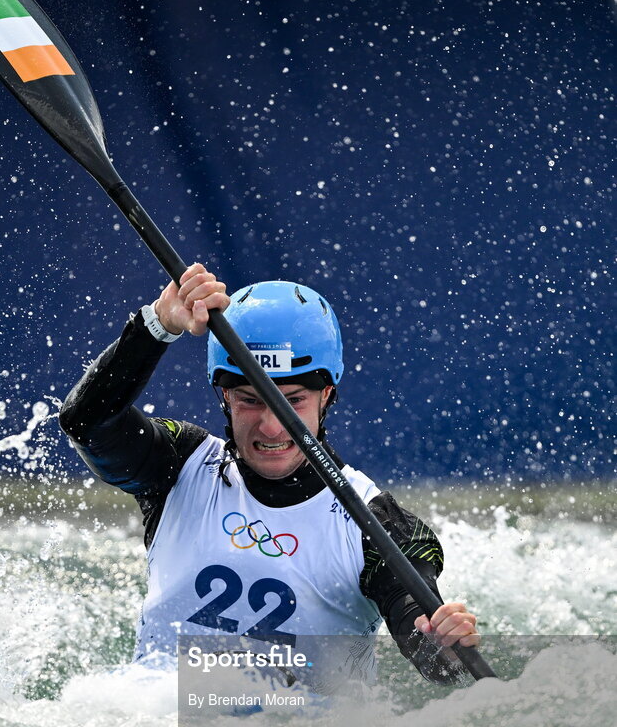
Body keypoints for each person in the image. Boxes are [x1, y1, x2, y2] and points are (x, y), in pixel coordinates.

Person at [59, 263, 480, 687]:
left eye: (291, 401)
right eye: (250, 401)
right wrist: (155, 326)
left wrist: (442, 640)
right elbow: (86, 423)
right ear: (224, 397)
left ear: (326, 396)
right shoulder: (177, 466)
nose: (272, 427)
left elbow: (439, 662)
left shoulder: (378, 523)